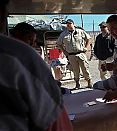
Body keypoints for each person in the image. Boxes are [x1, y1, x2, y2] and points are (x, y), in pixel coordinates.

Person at [0, 0, 73, 130]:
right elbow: (58, 124)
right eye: (29, 40)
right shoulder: (19, 56)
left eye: (34, 41)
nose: (32, 45)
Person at [57, 19, 92, 89]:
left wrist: (86, 47)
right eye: (67, 24)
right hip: (71, 55)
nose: (68, 25)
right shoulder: (63, 34)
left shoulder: (80, 31)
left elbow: (88, 39)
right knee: (75, 70)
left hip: (81, 53)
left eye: (70, 23)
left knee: (85, 68)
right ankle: (77, 83)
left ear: (73, 24)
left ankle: (89, 82)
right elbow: (59, 44)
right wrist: (64, 51)